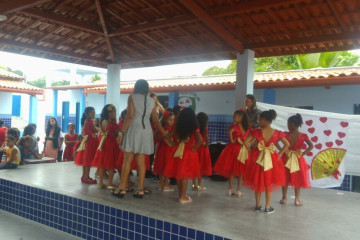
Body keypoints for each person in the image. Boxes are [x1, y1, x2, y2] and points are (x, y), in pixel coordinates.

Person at [113, 79, 168, 199]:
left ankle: (122, 188)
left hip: (134, 129)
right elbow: (155, 119)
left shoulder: (132, 97)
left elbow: (130, 116)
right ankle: (140, 189)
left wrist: (121, 133)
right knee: (141, 162)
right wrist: (163, 132)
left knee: (127, 161)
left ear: (136, 87)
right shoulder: (151, 100)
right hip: (146, 131)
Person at [244, 110, 290, 214]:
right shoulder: (277, 133)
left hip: (258, 159)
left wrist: (251, 151)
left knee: (258, 181)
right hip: (272, 159)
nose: (258, 122)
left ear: (265, 120)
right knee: (268, 182)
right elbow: (287, 144)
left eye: (259, 119)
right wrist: (279, 154)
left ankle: (257, 205)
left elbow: (246, 142)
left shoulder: (257, 132)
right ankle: (267, 207)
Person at [164, 108, 202, 203]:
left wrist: (172, 144)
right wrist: (194, 148)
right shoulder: (193, 127)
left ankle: (180, 194)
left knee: (178, 174)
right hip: (188, 152)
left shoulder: (177, 126)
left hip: (177, 151)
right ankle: (182, 197)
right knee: (184, 175)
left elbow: (167, 136)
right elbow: (200, 140)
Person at [279, 114, 313, 206]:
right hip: (298, 159)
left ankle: (284, 198)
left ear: (295, 124)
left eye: (289, 124)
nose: (288, 126)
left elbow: (276, 141)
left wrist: (281, 150)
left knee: (285, 178)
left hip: (286, 158)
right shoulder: (303, 136)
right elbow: (311, 146)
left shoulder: (285, 134)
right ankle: (297, 200)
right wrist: (302, 154)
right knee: (296, 179)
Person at [213, 110, 250, 197]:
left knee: (232, 171)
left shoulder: (235, 126)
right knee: (241, 172)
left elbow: (230, 132)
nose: (233, 118)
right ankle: (239, 190)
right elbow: (247, 139)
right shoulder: (246, 128)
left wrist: (232, 140)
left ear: (241, 118)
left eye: (235, 117)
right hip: (243, 150)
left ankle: (230, 189)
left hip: (234, 149)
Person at [92, 104, 119, 189]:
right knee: (110, 163)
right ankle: (109, 183)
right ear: (108, 113)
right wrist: (117, 133)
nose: (115, 114)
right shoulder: (106, 122)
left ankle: (101, 183)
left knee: (104, 163)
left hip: (108, 144)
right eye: (114, 112)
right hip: (108, 144)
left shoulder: (107, 121)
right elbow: (110, 134)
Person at [75, 107, 99, 184]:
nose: (93, 114)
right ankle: (86, 177)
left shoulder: (86, 121)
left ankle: (85, 176)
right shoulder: (90, 122)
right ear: (87, 114)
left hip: (88, 142)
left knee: (86, 161)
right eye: (92, 112)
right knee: (87, 162)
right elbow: (95, 130)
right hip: (90, 143)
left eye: (94, 112)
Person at [153, 110, 176, 192]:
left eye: (173, 120)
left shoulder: (162, 127)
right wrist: (170, 145)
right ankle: (166, 185)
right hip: (166, 149)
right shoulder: (167, 128)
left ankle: (161, 184)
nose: (172, 122)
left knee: (161, 167)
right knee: (167, 167)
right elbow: (165, 137)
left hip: (161, 149)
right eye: (170, 120)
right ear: (165, 120)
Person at [192, 112, 212, 191]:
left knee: (195, 166)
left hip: (196, 149)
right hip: (203, 150)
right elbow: (207, 140)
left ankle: (194, 184)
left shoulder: (195, 129)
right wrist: (206, 145)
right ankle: (199, 184)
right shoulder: (204, 131)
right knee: (200, 167)